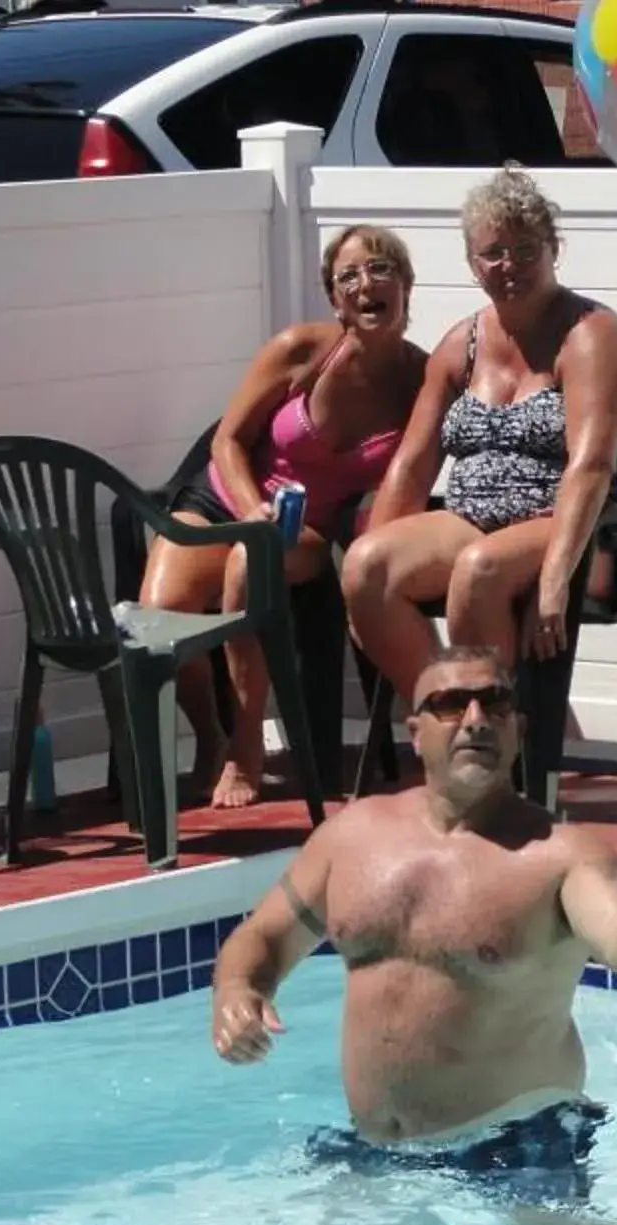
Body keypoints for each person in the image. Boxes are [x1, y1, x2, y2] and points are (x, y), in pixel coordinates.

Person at [209, 644, 617, 1194]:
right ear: (414, 729)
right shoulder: (352, 838)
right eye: (451, 704)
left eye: (494, 704)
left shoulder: (561, 856)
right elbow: (262, 935)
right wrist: (237, 991)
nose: (476, 720)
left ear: (517, 729)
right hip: (375, 1148)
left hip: (519, 1147)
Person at [339, 167, 617, 692]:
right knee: (365, 566)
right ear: (472, 264)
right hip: (475, 524)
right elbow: (414, 462)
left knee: (479, 570)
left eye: (526, 250)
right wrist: (364, 593)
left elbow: (591, 466)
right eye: (493, 253)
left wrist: (556, 576)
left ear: (554, 249)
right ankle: (452, 717)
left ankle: (501, 751)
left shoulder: (591, 335)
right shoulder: (460, 343)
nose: (508, 265)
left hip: (589, 534)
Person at [143, 223, 430, 807]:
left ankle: (246, 746)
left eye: (379, 268)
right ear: (334, 297)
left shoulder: (424, 379)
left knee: (251, 567)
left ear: (405, 283)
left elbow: (509, 390)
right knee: (160, 620)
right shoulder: (300, 350)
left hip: (311, 529)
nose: (365, 283)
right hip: (227, 497)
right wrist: (253, 510)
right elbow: (227, 439)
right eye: (348, 275)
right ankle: (210, 734)